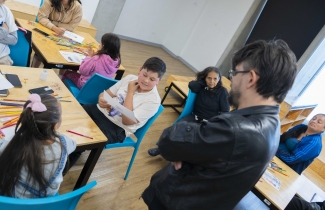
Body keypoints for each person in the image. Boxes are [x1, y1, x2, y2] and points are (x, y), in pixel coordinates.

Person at [142, 39, 298, 210]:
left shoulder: (235, 129)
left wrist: (182, 152)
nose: (231, 79)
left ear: (251, 78)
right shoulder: (273, 125)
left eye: (235, 73)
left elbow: (168, 140)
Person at [68, 57, 166, 168]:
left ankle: (55, 178)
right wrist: (101, 100)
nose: (146, 80)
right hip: (99, 111)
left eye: (152, 79)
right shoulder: (130, 78)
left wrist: (130, 93)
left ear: (158, 81)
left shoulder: (153, 101)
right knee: (70, 118)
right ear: (140, 70)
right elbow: (105, 94)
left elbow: (127, 121)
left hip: (116, 127)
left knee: (80, 142)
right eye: (144, 75)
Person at [0, 94, 76, 198]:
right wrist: (52, 133)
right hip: (42, 202)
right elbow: (74, 144)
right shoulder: (65, 142)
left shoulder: (11, 142)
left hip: (10, 199)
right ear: (55, 125)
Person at [148, 66, 230, 157]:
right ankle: (161, 149)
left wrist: (214, 124)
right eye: (209, 78)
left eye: (215, 79)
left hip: (208, 122)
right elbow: (192, 85)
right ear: (205, 78)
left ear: (219, 79)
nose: (212, 81)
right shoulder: (202, 86)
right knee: (176, 128)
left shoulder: (222, 92)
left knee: (193, 139)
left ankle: (178, 157)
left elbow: (225, 112)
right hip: (194, 116)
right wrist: (203, 82)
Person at [32, 0, 83, 69]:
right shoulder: (49, 1)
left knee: (67, 49)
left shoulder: (77, 7)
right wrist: (54, 27)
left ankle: (61, 76)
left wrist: (54, 23)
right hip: (47, 29)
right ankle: (33, 69)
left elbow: (72, 26)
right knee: (42, 47)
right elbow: (42, 17)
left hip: (64, 33)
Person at [0, 0, 18, 65]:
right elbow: (4, 33)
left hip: (2, 58)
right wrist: (4, 31)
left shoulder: (6, 11)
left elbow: (14, 39)